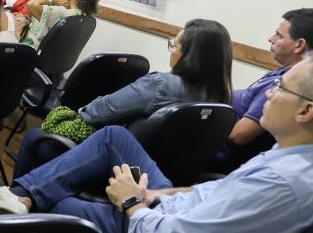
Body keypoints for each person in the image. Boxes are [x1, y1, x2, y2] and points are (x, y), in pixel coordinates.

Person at [0, 52, 313, 233]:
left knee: (64, 204)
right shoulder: (295, 158)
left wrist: (132, 203)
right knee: (115, 138)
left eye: (281, 88)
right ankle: (21, 199)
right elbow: (217, 190)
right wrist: (162, 194)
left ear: (306, 110)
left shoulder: (280, 182)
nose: (268, 93)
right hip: (175, 213)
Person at [12, 19, 234, 178]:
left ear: (189, 56)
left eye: (174, 45)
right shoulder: (222, 99)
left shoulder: (160, 85)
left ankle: (18, 207)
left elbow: (100, 111)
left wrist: (82, 112)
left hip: (121, 168)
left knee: (35, 138)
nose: (171, 51)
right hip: (166, 177)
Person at [214, 8, 313, 172]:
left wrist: (203, 127)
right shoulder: (282, 74)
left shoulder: (286, 85)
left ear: (299, 45)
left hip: (220, 154)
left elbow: (239, 136)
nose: (271, 39)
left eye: (279, 35)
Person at [20, 0, 100, 49]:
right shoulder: (82, 15)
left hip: (27, 53)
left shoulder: (61, 13)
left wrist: (54, 0)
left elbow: (31, 5)